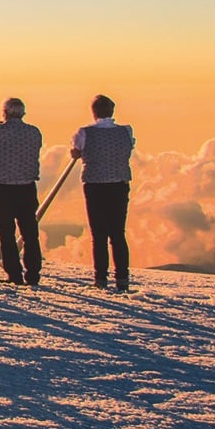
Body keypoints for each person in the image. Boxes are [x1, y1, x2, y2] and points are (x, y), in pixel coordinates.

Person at [72, 95, 136, 291]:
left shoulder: (84, 133)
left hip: (95, 185)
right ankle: (122, 278)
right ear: (112, 110)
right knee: (117, 233)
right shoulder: (126, 131)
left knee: (98, 235)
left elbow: (76, 151)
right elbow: (129, 147)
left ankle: (100, 278)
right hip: (119, 184)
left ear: (94, 112)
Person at [0, 98, 43, 286]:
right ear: (23, 113)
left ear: (4, 112)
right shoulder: (33, 132)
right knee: (30, 232)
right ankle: (33, 274)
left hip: (1, 188)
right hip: (27, 187)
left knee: (6, 233)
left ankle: (14, 274)